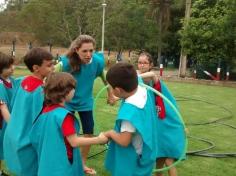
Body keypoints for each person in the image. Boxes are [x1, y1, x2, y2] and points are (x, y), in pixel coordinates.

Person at [55, 34, 115, 175]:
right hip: (66, 102)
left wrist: (110, 94)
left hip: (86, 102)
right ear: (76, 50)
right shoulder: (66, 63)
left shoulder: (98, 62)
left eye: (91, 50)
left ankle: (82, 163)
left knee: (88, 132)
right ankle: (64, 161)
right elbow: (50, 76)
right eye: (84, 51)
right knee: (65, 133)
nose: (89, 54)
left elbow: (106, 78)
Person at [29, 72, 108, 176]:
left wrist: (80, 166)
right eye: (73, 88)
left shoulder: (45, 111)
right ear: (66, 92)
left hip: (47, 165)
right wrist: (99, 139)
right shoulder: (64, 116)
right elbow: (74, 142)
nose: (75, 91)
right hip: (63, 168)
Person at [3, 48, 54, 176]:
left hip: (15, 134)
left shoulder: (22, 81)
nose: (53, 67)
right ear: (36, 68)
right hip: (28, 140)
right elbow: (40, 120)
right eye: (49, 65)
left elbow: (14, 105)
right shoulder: (40, 91)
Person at [104, 63, 158, 176]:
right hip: (145, 152)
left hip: (132, 159)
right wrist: (116, 98)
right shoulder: (142, 88)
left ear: (118, 90)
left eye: (110, 87)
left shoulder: (130, 114)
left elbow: (124, 141)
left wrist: (110, 133)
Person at [137, 52, 186, 176]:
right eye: (139, 62)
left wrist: (133, 76)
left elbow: (152, 75)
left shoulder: (152, 79)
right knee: (159, 157)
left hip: (168, 122)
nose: (142, 65)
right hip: (157, 124)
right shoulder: (137, 82)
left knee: (169, 158)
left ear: (151, 65)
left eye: (145, 63)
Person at [0, 52, 15, 176]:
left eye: (13, 65)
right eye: (9, 67)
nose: (13, 68)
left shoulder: (12, 81)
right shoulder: (0, 85)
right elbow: (2, 106)